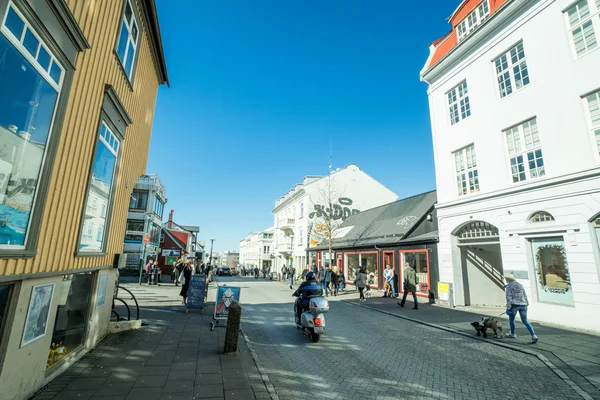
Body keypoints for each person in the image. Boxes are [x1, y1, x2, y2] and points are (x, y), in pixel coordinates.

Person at [505, 274, 538, 343]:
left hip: (514, 305)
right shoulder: (520, 285)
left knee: (512, 320)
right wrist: (527, 302)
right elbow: (525, 294)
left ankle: (513, 334)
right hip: (523, 304)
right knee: (525, 321)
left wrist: (508, 308)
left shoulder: (509, 286)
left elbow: (509, 297)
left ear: (507, 279)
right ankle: (534, 335)